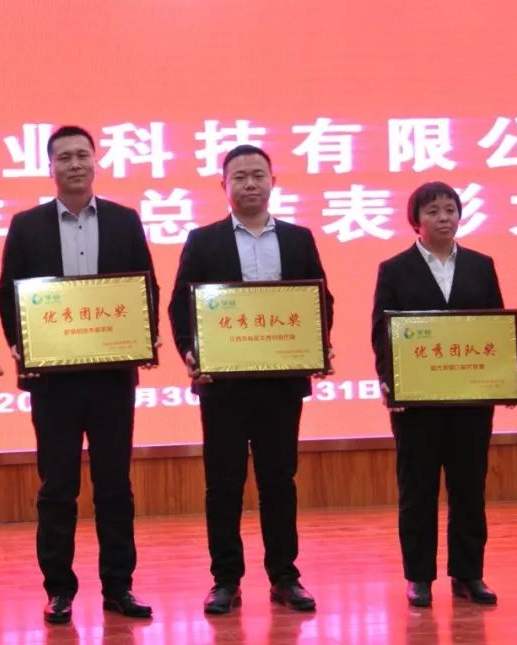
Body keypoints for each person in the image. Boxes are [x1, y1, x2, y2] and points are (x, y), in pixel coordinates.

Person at [0, 125, 158, 624]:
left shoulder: (124, 221)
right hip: (54, 382)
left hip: (111, 378)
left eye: (82, 155)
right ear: (50, 167)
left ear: (95, 162)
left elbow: (145, 287)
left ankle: (119, 586)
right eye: (64, 157)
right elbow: (8, 294)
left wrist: (142, 336)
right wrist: (26, 346)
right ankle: (59, 590)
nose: (74, 164)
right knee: (57, 488)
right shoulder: (27, 225)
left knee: (114, 486)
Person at [168, 144, 334, 615]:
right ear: (224, 187)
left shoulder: (299, 239)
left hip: (280, 384)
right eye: (239, 177)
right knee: (223, 484)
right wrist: (191, 352)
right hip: (223, 386)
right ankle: (225, 580)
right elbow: (181, 305)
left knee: (279, 480)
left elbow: (320, 300)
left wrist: (317, 344)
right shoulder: (204, 241)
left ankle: (285, 577)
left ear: (273, 182)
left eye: (258, 175)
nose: (249, 184)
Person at [371, 181, 517, 607]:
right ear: (415, 221)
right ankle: (419, 577)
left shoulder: (481, 265)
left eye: (450, 210)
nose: (444, 218)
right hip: (416, 403)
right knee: (417, 490)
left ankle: (468, 574)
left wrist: (513, 375)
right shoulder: (394, 269)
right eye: (433, 211)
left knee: (469, 489)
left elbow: (495, 329)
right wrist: (389, 381)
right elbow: (381, 334)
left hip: (470, 401)